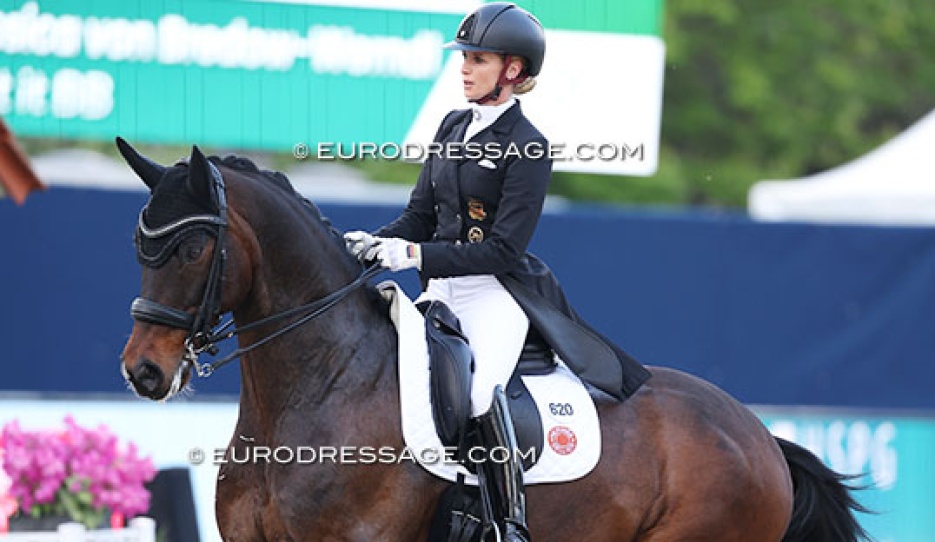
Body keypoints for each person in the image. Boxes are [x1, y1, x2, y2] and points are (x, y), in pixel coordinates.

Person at [344, 3, 649, 540]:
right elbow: (421, 214)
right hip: (440, 289)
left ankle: (507, 523)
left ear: (512, 70)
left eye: (477, 59)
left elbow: (503, 250)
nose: (463, 68)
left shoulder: (528, 146)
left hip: (495, 294)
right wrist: (379, 242)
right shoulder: (452, 124)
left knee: (481, 392)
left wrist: (414, 257)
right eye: (464, 57)